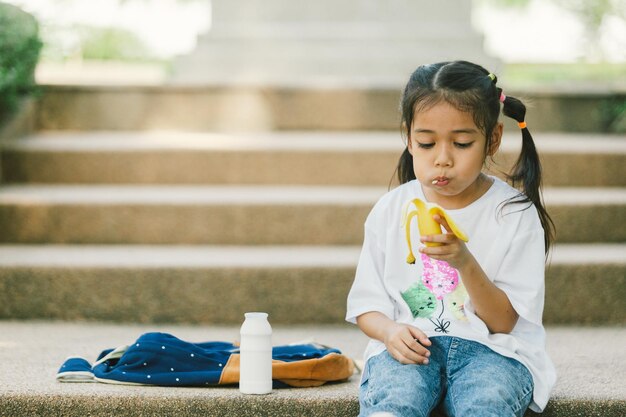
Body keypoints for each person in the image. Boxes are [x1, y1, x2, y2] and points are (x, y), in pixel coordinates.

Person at [346, 60, 556, 417]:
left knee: (487, 401)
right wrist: (390, 331)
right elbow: (367, 306)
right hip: (411, 347)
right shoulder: (391, 210)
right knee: (396, 397)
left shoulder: (513, 215)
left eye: (461, 143)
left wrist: (464, 261)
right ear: (409, 139)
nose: (442, 160)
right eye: (427, 143)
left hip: (494, 352)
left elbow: (503, 322)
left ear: (492, 139)